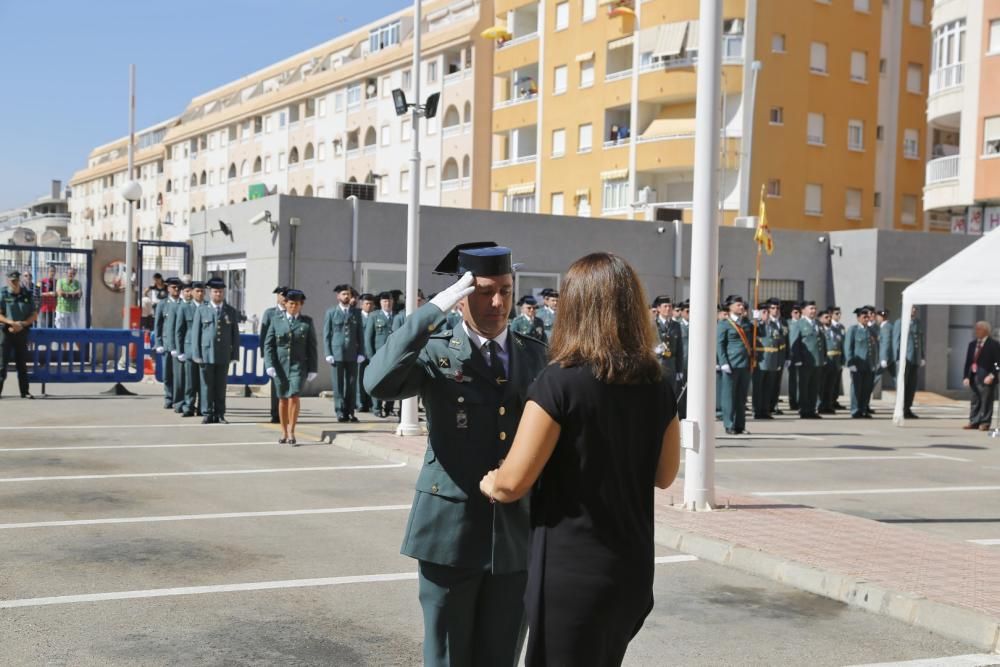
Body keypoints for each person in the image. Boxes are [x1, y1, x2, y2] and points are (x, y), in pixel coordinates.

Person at [479, 252, 681, 667]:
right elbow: (665, 475)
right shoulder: (657, 382)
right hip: (632, 568)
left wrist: (489, 482)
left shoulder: (559, 383)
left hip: (572, 572)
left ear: (574, 307)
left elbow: (512, 483)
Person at [365, 242, 548, 667]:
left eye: (505, 289)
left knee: (500, 657)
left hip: (514, 535)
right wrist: (433, 311)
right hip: (449, 533)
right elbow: (377, 381)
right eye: (483, 291)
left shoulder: (535, 353)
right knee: (447, 658)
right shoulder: (435, 348)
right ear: (462, 294)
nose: (498, 302)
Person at [265, 289, 318, 445]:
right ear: (285, 304)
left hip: (298, 366)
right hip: (280, 366)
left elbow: (312, 346)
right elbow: (269, 345)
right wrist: (269, 364)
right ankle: (283, 431)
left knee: (294, 396)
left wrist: (313, 368)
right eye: (291, 303)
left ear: (301, 305)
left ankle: (291, 431)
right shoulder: (276, 320)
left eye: (297, 304)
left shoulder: (306, 322)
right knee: (282, 399)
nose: (293, 307)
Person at [193, 277, 241, 424]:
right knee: (207, 385)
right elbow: (196, 334)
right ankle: (207, 413)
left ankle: (220, 413)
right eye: (215, 292)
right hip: (206, 353)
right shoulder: (202, 310)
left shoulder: (230, 311)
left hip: (223, 353)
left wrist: (235, 354)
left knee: (221, 386)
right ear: (210, 293)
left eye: (220, 292)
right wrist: (197, 354)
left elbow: (235, 334)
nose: (218, 294)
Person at [324, 284, 365, 423]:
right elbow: (327, 334)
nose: (346, 297)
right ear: (338, 297)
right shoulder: (331, 312)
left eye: (348, 294)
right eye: (343, 294)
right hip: (337, 353)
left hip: (352, 353)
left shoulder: (356, 313)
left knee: (352, 384)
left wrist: (361, 352)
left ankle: (350, 411)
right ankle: (340, 411)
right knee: (338, 384)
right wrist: (328, 353)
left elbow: (360, 334)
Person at [717, 295, 753, 435]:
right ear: (730, 307)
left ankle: (740, 425)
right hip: (731, 364)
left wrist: (758, 320)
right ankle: (729, 424)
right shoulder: (724, 324)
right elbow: (720, 345)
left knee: (741, 397)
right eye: (738, 304)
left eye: (742, 304)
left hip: (745, 364)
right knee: (728, 397)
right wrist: (723, 362)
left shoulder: (747, 323)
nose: (741, 307)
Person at [0, 270, 38, 399]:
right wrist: (11, 323)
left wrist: (22, 324)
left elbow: (34, 314)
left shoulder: (27, 294)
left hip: (22, 332)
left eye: (16, 280)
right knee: (2, 364)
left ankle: (25, 392)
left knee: (22, 364)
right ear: (8, 281)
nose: (14, 283)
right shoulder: (3, 293)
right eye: (12, 281)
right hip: (6, 332)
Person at [364, 291, 398, 418]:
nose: (387, 303)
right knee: (378, 381)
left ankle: (389, 408)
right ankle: (377, 407)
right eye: (384, 301)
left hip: (393, 355)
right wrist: (371, 356)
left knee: (393, 381)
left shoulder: (397, 316)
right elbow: (368, 337)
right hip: (379, 355)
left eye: (389, 301)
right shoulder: (374, 316)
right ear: (380, 303)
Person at [790, 300, 826, 419]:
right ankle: (804, 410)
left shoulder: (818, 324)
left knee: (814, 387)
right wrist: (797, 359)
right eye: (811, 308)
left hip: (817, 361)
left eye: (814, 309)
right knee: (804, 386)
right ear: (803, 311)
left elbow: (822, 342)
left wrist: (823, 357)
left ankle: (812, 409)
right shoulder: (799, 324)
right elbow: (794, 343)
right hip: (805, 361)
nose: (813, 311)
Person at [174, 281, 205, 417]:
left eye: (202, 291)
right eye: (197, 291)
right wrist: (180, 350)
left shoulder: (208, 307)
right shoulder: (185, 308)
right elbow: (179, 331)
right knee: (190, 382)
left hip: (204, 349)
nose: (200, 293)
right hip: (190, 349)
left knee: (204, 382)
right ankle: (188, 406)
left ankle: (203, 408)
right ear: (191, 292)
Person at [962, 321, 1000, 431]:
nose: (976, 331)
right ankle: (974, 421)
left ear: (986, 331)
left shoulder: (994, 344)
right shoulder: (972, 344)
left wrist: (992, 375)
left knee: (987, 401)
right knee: (975, 400)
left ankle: (985, 422)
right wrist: (966, 377)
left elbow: (998, 363)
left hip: (987, 378)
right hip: (974, 377)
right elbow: (968, 362)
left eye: (979, 329)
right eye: (976, 329)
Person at [259, 286, 288, 424]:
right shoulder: (270, 313)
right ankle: (275, 413)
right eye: (282, 295)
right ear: (277, 297)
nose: (284, 298)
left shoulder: (291, 312)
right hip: (274, 355)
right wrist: (265, 356)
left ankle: (287, 413)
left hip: (288, 356)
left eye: (286, 295)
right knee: (276, 385)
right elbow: (264, 336)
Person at [153, 277, 181, 410]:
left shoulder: (183, 303)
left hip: (180, 345)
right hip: (166, 344)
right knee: (167, 374)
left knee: (179, 375)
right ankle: (169, 397)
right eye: (173, 287)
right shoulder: (163, 304)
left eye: (178, 288)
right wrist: (158, 343)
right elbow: (157, 325)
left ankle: (178, 399)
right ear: (168, 289)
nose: (176, 290)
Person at [893, 305, 925, 419]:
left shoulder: (917, 323)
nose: (914, 310)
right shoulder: (900, 322)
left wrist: (922, 356)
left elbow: (921, 341)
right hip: (904, 359)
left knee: (911, 386)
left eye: (915, 308)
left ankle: (907, 408)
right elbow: (896, 341)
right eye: (912, 308)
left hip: (914, 359)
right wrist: (897, 359)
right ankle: (900, 409)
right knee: (902, 385)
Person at [845, 307, 876, 418]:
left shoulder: (871, 330)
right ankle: (855, 410)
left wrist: (874, 363)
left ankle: (863, 409)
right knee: (856, 388)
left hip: (869, 365)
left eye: (868, 317)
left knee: (866, 389)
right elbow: (848, 347)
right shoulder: (853, 330)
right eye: (864, 317)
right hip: (857, 365)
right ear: (858, 318)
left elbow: (874, 348)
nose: (866, 319)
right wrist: (850, 363)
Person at [752, 302, 780, 420]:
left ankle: (766, 410)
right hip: (760, 361)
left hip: (772, 360)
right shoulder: (756, 326)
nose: (766, 314)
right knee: (758, 388)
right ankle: (757, 410)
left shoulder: (774, 325)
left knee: (768, 388)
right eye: (764, 312)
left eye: (767, 312)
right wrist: (757, 320)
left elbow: (777, 342)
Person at [653, 296, 683, 398]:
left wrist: (679, 370)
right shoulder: (652, 324)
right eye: (665, 306)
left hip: (671, 364)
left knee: (671, 395)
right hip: (657, 364)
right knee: (656, 394)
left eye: (670, 306)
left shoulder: (676, 325)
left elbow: (679, 349)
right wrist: (653, 350)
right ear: (658, 308)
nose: (668, 309)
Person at [818, 309, 843, 414]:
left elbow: (840, 346)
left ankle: (828, 405)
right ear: (820, 319)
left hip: (835, 361)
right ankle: (820, 406)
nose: (829, 319)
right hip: (825, 360)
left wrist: (841, 361)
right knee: (821, 386)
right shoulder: (819, 330)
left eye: (829, 317)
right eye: (826, 317)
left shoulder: (835, 330)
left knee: (831, 385)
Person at [357, 293, 377, 413]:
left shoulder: (375, 316)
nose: (369, 306)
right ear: (362, 304)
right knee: (360, 379)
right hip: (360, 353)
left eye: (371, 303)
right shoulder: (358, 316)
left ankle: (370, 403)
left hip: (372, 352)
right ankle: (360, 403)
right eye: (366, 303)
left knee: (371, 378)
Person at [787, 303, 802, 411]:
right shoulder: (787, 324)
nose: (798, 315)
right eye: (796, 312)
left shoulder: (802, 323)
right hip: (791, 356)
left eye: (799, 313)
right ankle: (793, 402)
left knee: (801, 381)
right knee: (793, 381)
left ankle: (800, 401)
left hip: (801, 356)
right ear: (791, 313)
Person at [876, 309, 895, 390]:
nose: (877, 318)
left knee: (874, 377)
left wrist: (883, 358)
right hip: (891, 358)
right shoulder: (889, 326)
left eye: (878, 316)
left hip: (886, 358)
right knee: (896, 377)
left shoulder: (886, 327)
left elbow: (886, 344)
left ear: (882, 317)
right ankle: (902, 398)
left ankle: (864, 399)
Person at [677, 299, 690, 419]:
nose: (690, 313)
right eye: (687, 311)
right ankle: (681, 413)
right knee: (682, 390)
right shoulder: (678, 326)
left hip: (693, 363)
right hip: (684, 362)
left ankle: (688, 412)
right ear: (681, 312)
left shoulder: (695, 325)